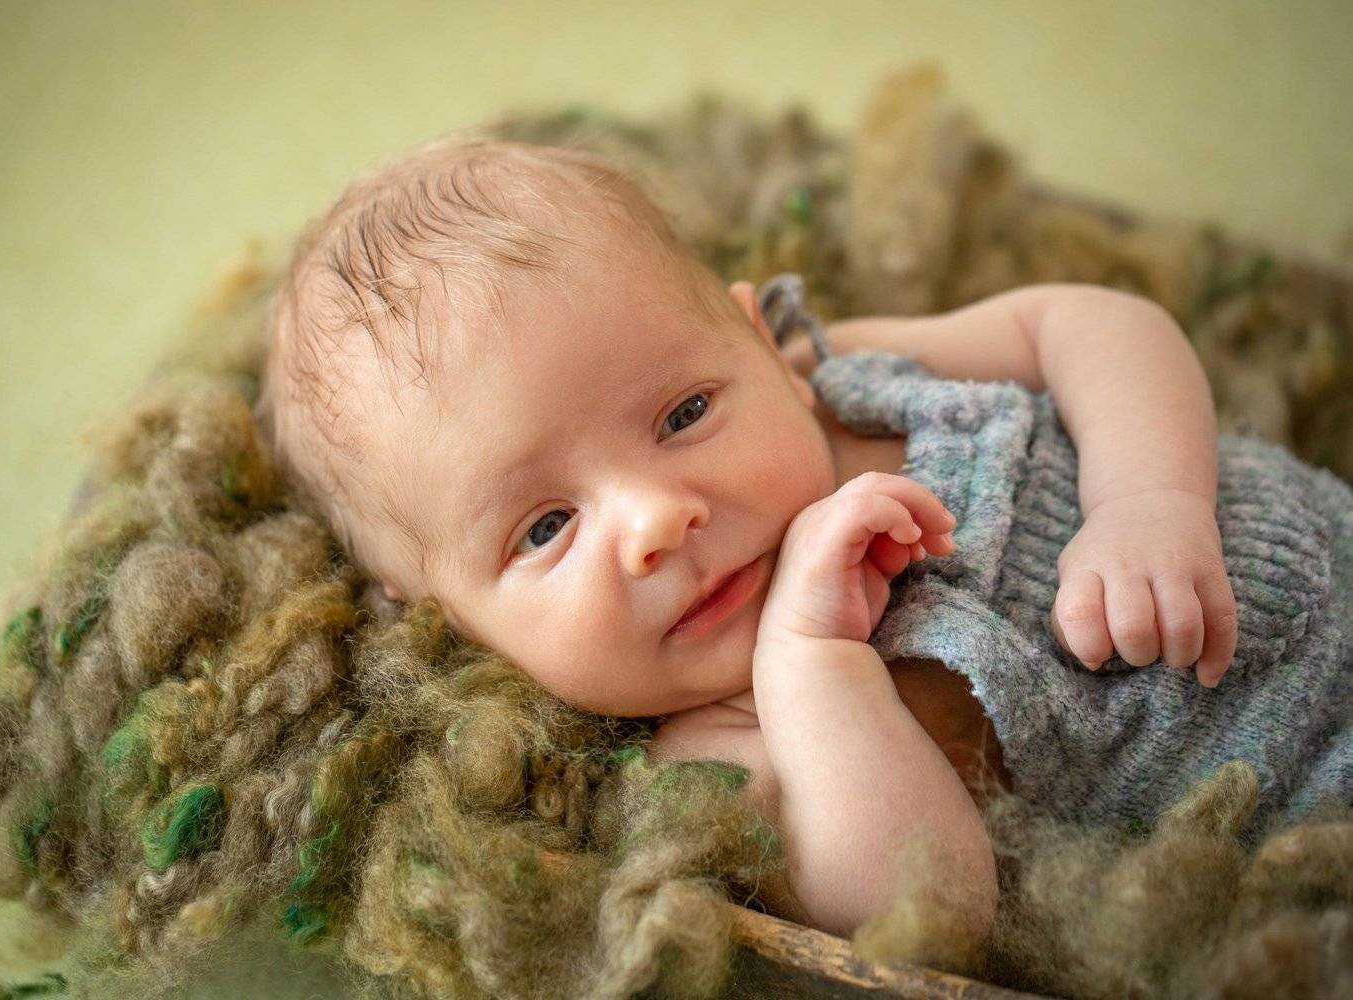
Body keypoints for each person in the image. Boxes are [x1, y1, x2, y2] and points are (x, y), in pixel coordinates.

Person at [256, 134, 1351, 940]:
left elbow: (1084, 323)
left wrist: (1146, 500)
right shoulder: (720, 741)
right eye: (546, 527)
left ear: (754, 338)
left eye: (684, 413)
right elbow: (926, 907)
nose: (655, 519)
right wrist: (811, 662)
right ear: (445, 618)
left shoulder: (841, 380)